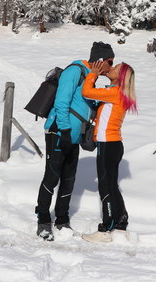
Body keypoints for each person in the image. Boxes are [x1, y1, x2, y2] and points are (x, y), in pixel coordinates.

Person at [35, 41, 115, 241]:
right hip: (59, 133)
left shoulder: (91, 77)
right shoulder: (74, 71)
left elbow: (82, 103)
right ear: (99, 60)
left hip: (73, 136)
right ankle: (43, 220)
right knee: (52, 177)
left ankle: (62, 220)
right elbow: (62, 102)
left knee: (69, 180)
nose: (111, 66)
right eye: (109, 61)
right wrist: (63, 130)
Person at [80, 60, 137, 243]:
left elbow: (87, 92)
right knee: (111, 185)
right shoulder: (117, 92)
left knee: (105, 186)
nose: (111, 68)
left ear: (120, 77)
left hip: (107, 144)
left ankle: (106, 228)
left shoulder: (115, 92)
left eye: (115, 68)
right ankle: (121, 221)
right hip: (113, 144)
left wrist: (93, 74)